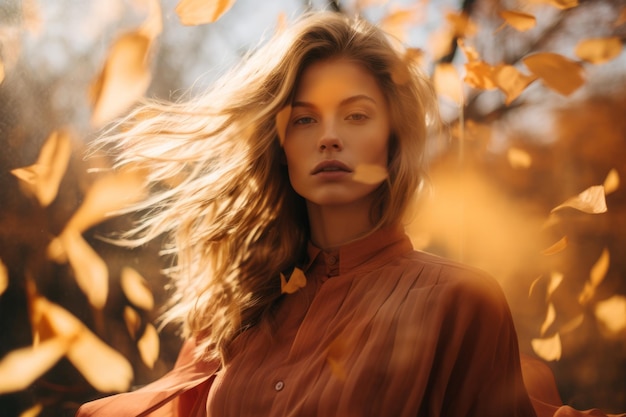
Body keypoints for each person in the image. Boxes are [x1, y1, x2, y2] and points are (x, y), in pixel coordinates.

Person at [76, 11, 624, 417]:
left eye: (356, 115)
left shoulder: (460, 301)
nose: (330, 137)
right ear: (280, 143)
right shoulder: (232, 315)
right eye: (306, 120)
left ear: (392, 139)